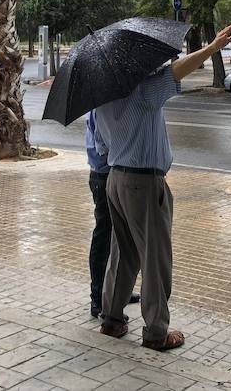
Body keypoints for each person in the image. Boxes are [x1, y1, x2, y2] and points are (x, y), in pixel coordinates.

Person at [95, 24, 231, 351]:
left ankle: (112, 319)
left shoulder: (101, 102)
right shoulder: (143, 91)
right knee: (155, 257)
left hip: (115, 179)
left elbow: (102, 147)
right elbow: (177, 71)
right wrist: (213, 47)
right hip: (143, 182)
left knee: (123, 254)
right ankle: (157, 331)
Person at [85, 109, 139, 318]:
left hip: (111, 174)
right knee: (104, 237)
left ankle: (119, 290)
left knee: (121, 236)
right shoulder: (100, 107)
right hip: (104, 175)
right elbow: (103, 147)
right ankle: (98, 298)